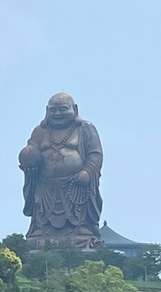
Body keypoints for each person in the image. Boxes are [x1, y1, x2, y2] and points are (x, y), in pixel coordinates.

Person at [18, 93, 103, 248]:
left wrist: (88, 171)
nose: (57, 113)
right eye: (53, 110)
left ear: (74, 109)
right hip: (45, 185)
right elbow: (31, 151)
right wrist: (29, 165)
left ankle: (81, 227)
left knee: (79, 211)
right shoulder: (39, 131)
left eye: (63, 109)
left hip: (76, 184)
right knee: (43, 212)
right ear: (46, 111)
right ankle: (43, 228)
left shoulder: (85, 129)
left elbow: (95, 154)